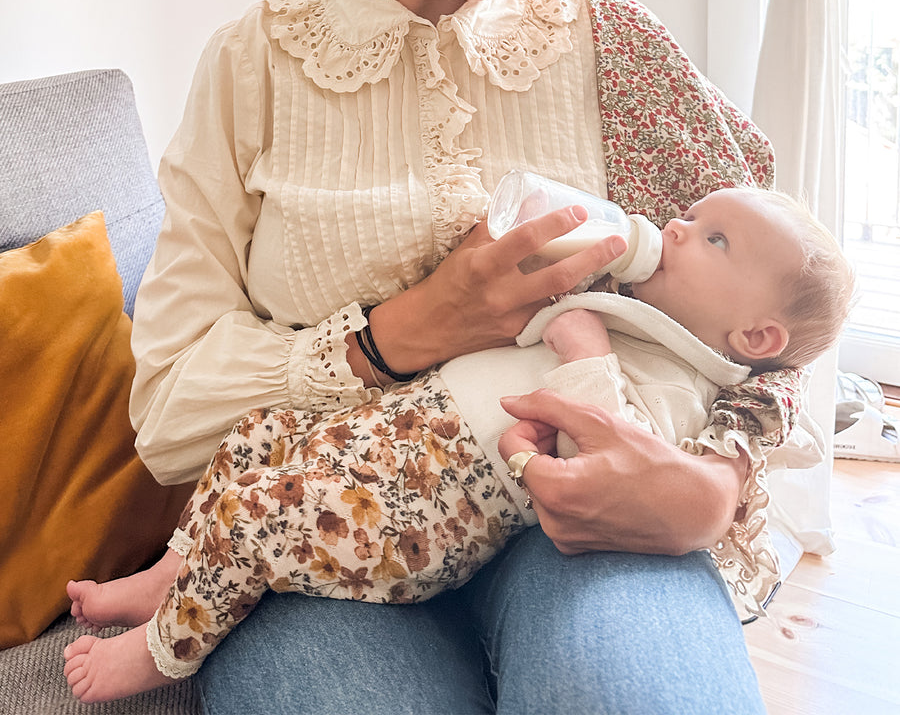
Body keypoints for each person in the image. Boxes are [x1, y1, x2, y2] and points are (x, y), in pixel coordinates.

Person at [64, 0, 814, 714]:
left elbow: (783, 304)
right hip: (325, 546)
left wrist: (710, 489)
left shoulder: (615, 49)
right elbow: (172, 413)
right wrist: (395, 336)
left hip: (579, 526)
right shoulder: (256, 66)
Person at [63, 186, 854, 702]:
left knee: (261, 518)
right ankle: (172, 571)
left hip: (439, 500)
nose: (676, 224)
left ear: (755, 335)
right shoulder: (637, 303)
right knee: (256, 437)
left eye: (712, 240)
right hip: (403, 426)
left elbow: (626, 463)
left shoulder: (692, 382)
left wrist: (588, 359)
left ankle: (161, 654)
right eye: (695, 217)